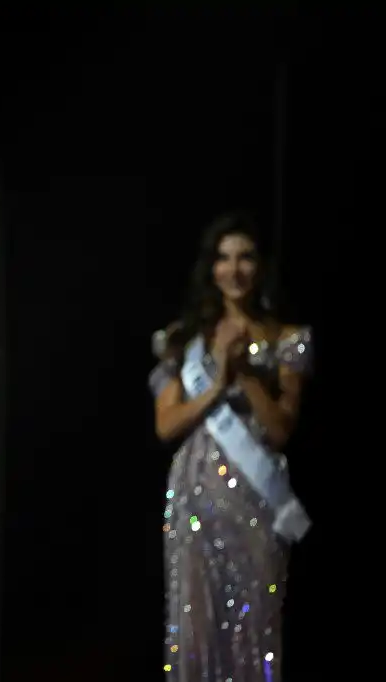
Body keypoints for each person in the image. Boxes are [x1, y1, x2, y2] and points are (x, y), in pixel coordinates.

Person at [150, 212, 313, 681]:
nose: (234, 269)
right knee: (196, 616)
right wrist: (217, 381)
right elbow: (166, 425)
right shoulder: (183, 341)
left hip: (257, 495)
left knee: (256, 613)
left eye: (245, 257)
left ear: (259, 266)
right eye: (224, 258)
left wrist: (243, 374)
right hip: (195, 492)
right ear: (211, 268)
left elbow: (282, 429)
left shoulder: (285, 340)